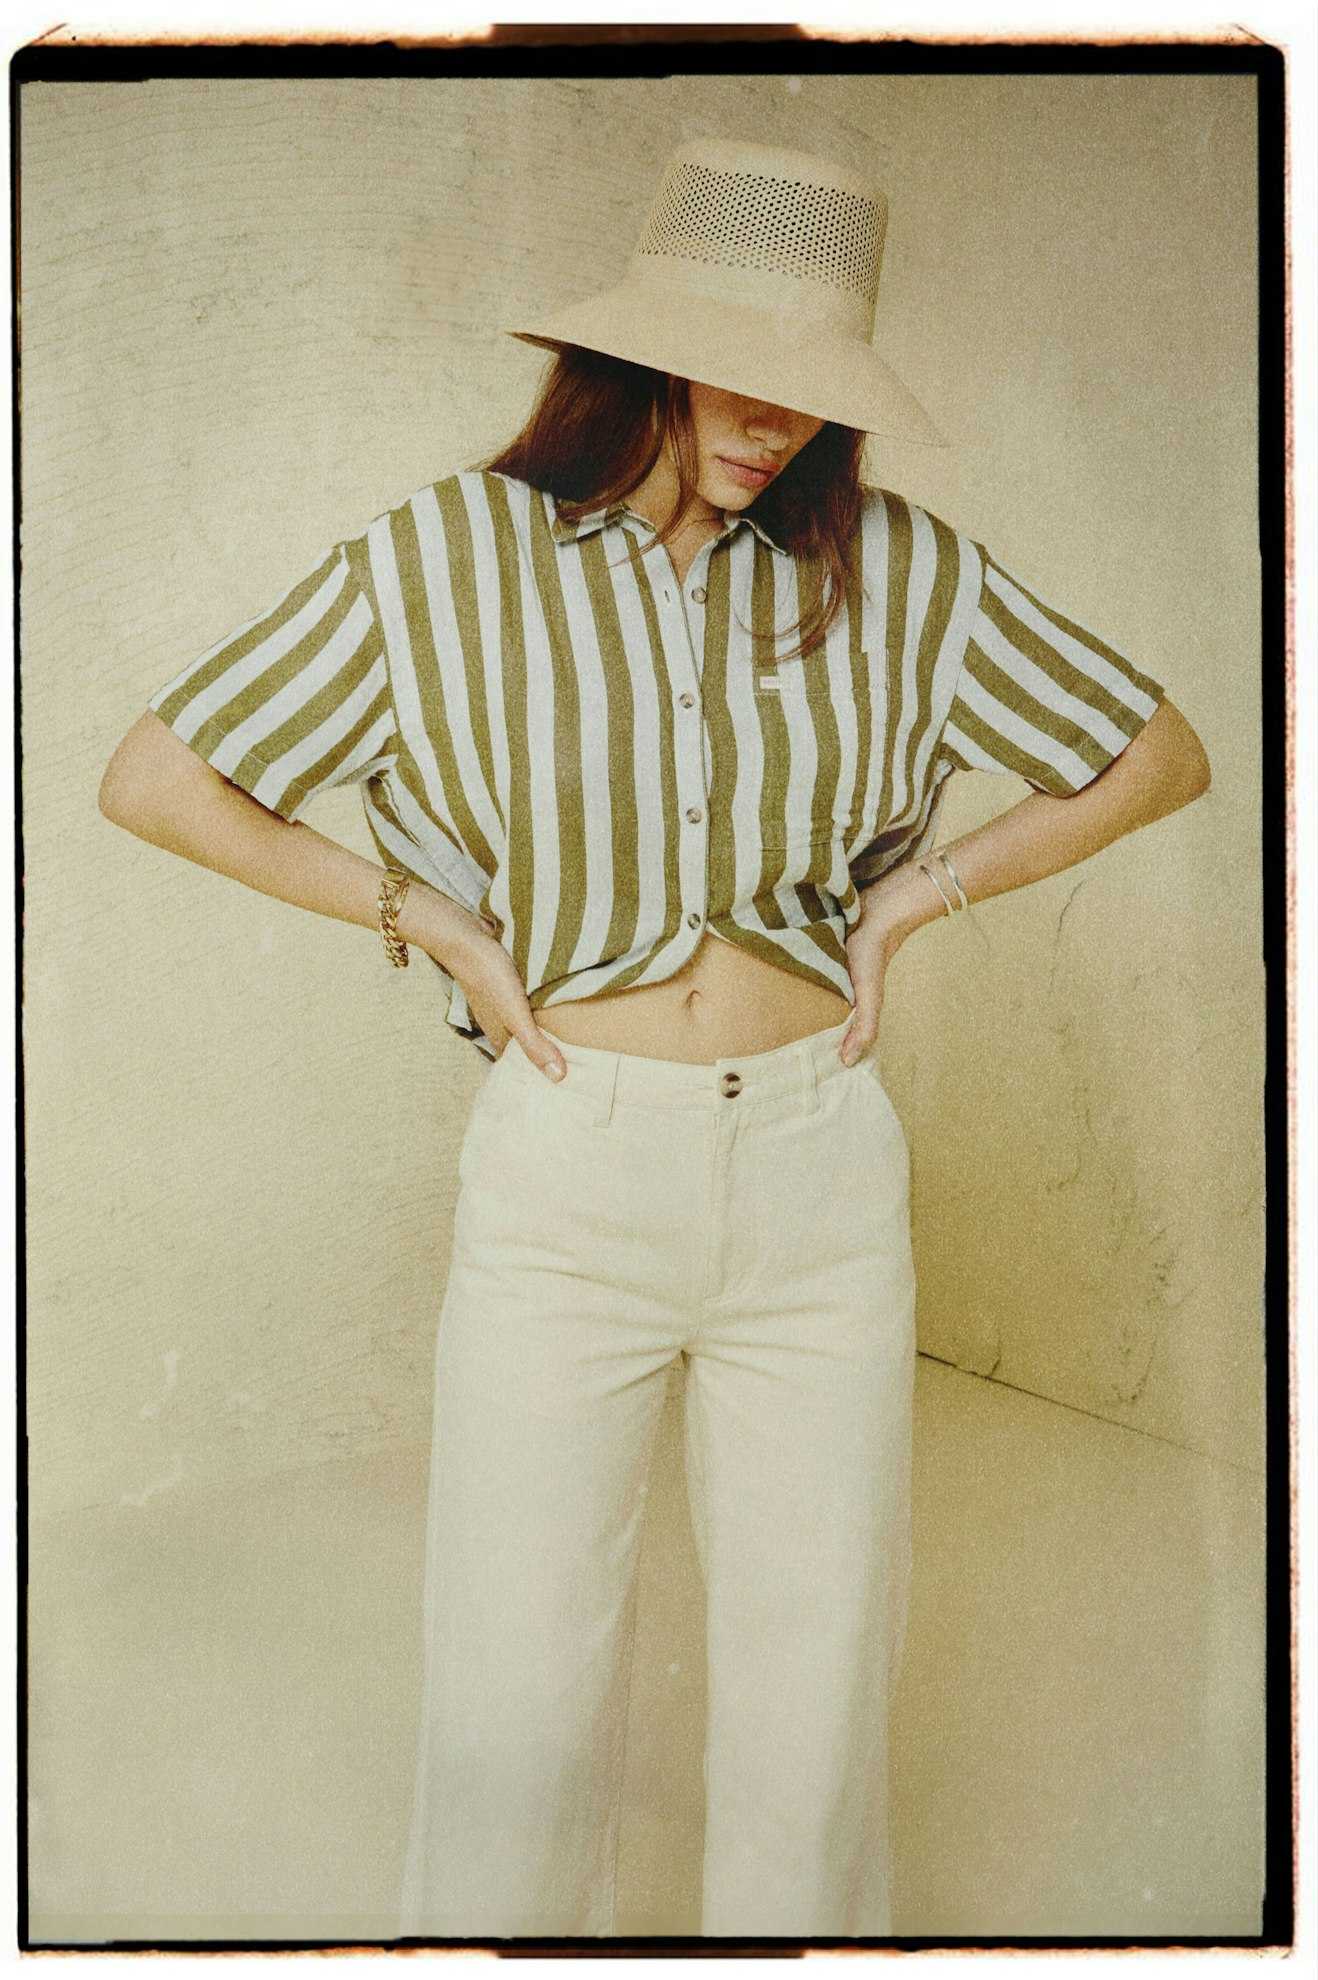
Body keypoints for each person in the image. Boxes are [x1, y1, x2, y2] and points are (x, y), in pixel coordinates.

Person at [99, 136, 1212, 1941]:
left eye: (815, 384)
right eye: (736, 368)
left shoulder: (895, 571)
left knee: (814, 1691)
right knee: (515, 1696)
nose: (777, 419)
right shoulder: (446, 556)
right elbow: (158, 779)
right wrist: (431, 919)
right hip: (572, 1163)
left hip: (816, 1166)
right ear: (636, 356)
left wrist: (916, 899)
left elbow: (1155, 754)